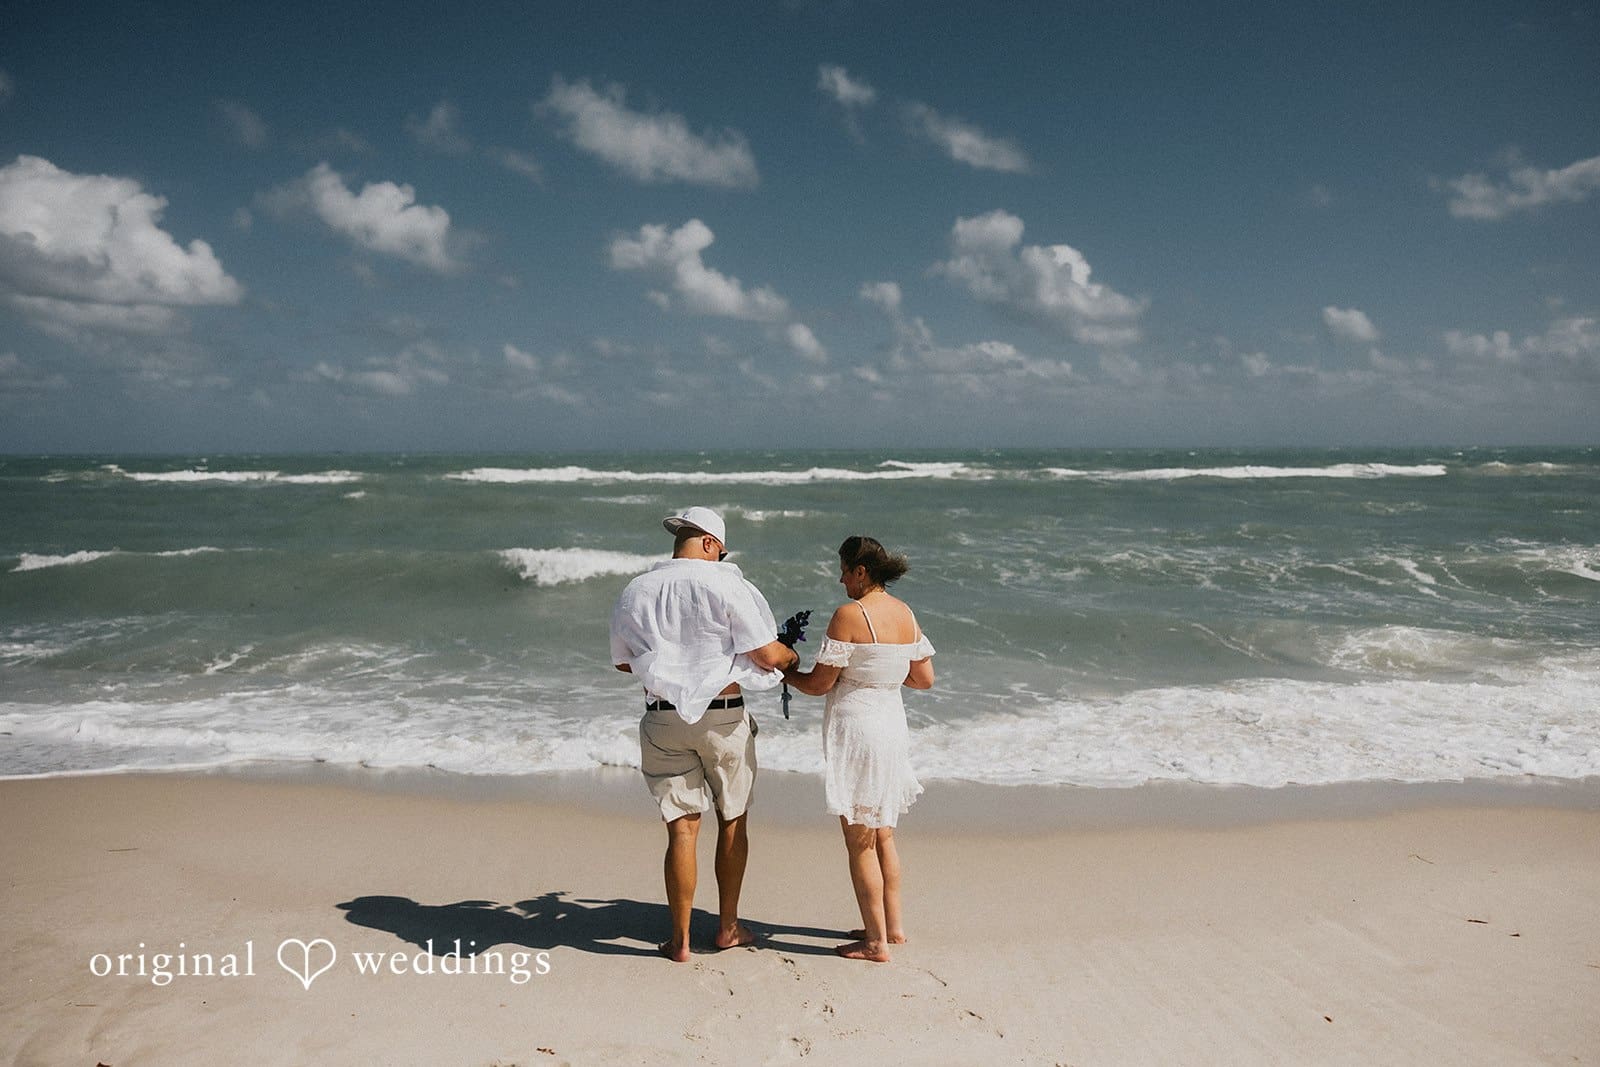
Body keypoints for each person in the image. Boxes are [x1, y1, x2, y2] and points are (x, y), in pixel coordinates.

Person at [609, 506, 800, 962]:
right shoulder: (726, 583)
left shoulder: (637, 589)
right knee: (732, 819)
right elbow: (765, 653)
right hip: (723, 717)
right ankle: (727, 928)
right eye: (722, 550)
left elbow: (621, 661)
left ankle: (679, 940)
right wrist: (792, 659)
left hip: (663, 718)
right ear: (711, 544)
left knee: (682, 830)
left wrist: (670, 662)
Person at [782, 535, 934, 962]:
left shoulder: (850, 615)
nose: (841, 578)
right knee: (883, 831)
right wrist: (882, 675)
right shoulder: (906, 614)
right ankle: (893, 927)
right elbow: (924, 679)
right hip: (892, 727)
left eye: (845, 570)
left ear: (861, 571)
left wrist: (786, 674)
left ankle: (874, 943)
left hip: (860, 732)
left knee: (859, 840)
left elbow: (819, 684)